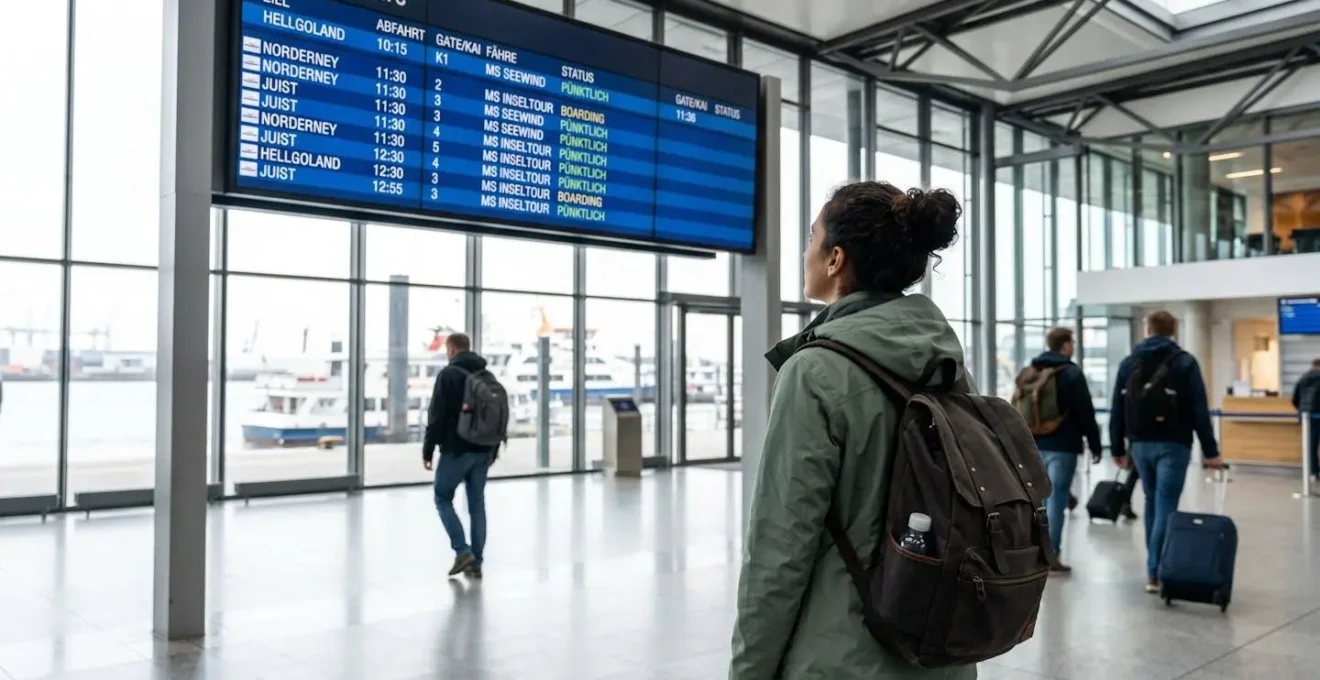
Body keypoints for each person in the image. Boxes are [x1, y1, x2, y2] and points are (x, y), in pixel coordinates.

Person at [731, 182, 972, 679]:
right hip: (941, 648)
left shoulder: (816, 370)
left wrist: (749, 671)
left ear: (835, 258)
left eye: (811, 236)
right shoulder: (945, 360)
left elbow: (780, 549)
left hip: (845, 656)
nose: (806, 251)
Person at [1110, 310, 1223, 594]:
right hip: (1174, 443)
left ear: (1148, 329)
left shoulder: (1129, 362)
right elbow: (1199, 409)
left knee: (1151, 501)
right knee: (1166, 504)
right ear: (1173, 331)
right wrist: (1211, 452)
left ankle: (1154, 568)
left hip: (1140, 444)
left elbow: (1117, 408)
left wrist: (1117, 447)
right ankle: (1156, 570)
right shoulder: (1184, 362)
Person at [1020, 327, 1102, 572]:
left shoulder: (1031, 370)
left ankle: (1033, 551)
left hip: (1033, 443)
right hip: (1063, 445)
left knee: (1038, 500)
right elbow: (1085, 412)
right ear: (1065, 346)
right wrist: (1095, 444)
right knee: (1056, 500)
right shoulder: (1072, 373)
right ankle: (1051, 555)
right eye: (1072, 342)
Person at [423, 332, 498, 579]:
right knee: (477, 503)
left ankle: (462, 550)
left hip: (456, 449)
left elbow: (437, 415)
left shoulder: (448, 375)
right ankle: (477, 560)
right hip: (483, 449)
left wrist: (428, 448)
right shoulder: (486, 376)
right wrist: (493, 448)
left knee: (442, 497)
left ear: (452, 349)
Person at [1292, 358, 1320, 481]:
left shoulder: (1302, 378)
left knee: (1310, 446)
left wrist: (1302, 409)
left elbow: (1294, 399)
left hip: (1307, 418)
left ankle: (1313, 473)